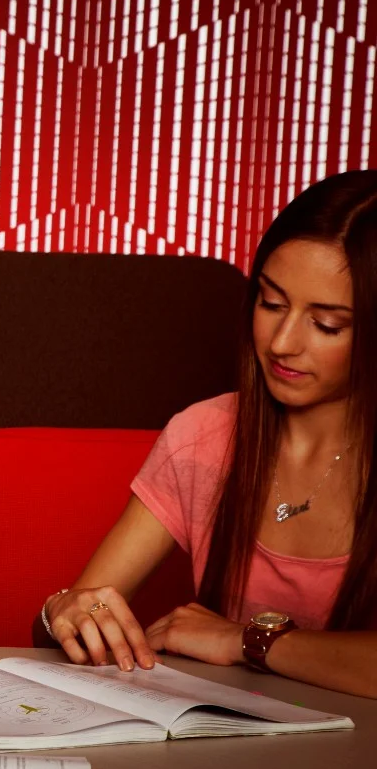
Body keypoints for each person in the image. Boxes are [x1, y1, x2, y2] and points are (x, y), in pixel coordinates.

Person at [41, 171, 377, 698]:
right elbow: (86, 605)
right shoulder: (206, 434)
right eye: (270, 303)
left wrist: (248, 641)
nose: (283, 342)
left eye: (328, 324)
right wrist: (65, 608)